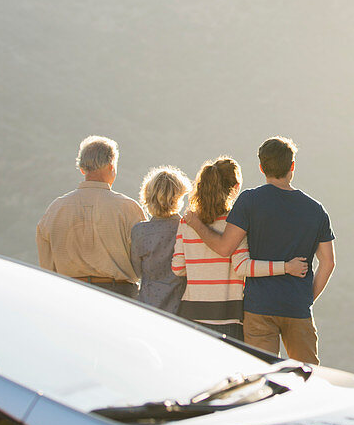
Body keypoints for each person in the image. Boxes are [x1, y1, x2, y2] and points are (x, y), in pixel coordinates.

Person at [185, 137, 335, 363]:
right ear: (292, 166)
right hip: (297, 307)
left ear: (261, 167)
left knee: (261, 374)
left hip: (259, 307)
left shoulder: (250, 200)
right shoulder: (316, 210)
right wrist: (306, 298)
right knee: (307, 376)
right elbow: (328, 262)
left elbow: (225, 248)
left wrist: (196, 225)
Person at [173, 156, 308, 340]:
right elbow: (242, 267)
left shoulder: (187, 221)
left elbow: (178, 268)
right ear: (235, 187)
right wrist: (285, 267)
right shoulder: (236, 223)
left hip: (189, 314)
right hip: (227, 316)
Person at [36, 135, 145, 298]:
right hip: (119, 295)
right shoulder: (128, 208)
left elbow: (46, 263)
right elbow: (144, 257)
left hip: (68, 293)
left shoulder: (56, 209)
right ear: (111, 166)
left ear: (82, 169)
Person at [129, 165, 189, 313]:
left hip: (148, 308)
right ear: (179, 197)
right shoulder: (188, 229)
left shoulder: (140, 232)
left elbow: (136, 273)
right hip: (180, 311)